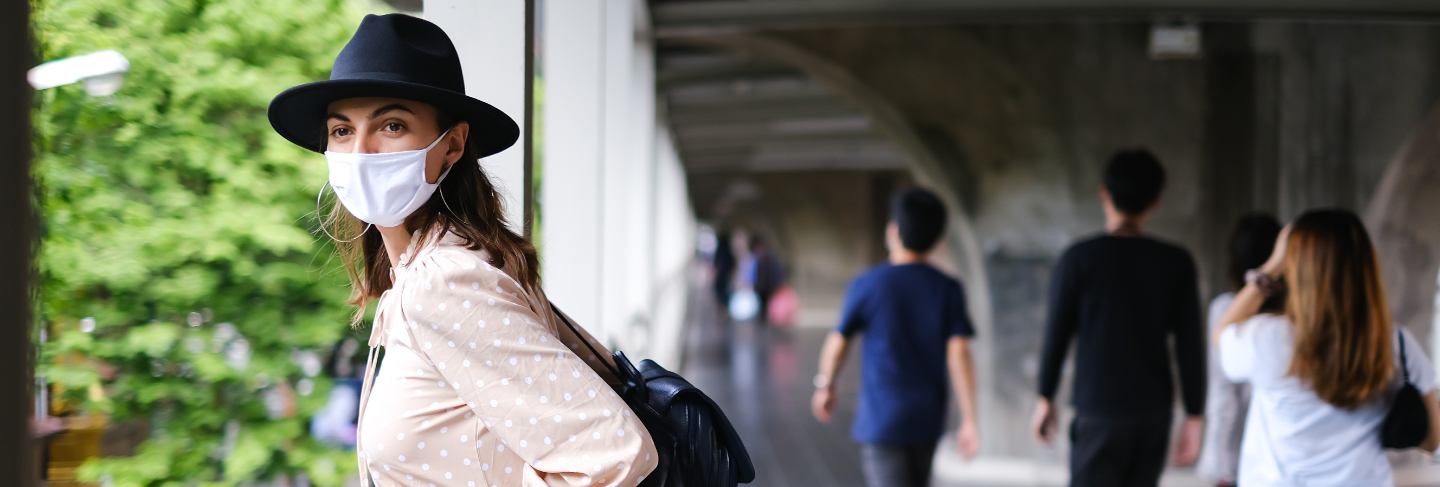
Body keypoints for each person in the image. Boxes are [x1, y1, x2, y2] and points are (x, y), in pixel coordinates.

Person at [267, 14, 656, 486]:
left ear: (452, 145)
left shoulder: (444, 282)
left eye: (391, 125)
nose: (360, 153)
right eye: (342, 131)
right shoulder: (431, 270)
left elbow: (612, 454)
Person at [1215, 209, 1440, 485]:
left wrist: (1270, 267)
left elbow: (1222, 334)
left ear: (1295, 268)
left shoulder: (1267, 338)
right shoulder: (1396, 342)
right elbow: (1434, 438)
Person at [1032, 148, 1205, 487]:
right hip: (1153, 410)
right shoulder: (1175, 262)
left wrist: (1045, 396)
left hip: (1097, 408)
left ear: (1104, 194)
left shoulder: (1078, 259)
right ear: (1156, 201)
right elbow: (1189, 345)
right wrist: (1195, 415)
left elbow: (1056, 333)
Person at [810, 188, 980, 487]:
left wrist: (826, 385)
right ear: (938, 238)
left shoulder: (868, 284)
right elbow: (959, 354)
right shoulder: (948, 288)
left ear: (893, 231)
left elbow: (839, 341)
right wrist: (969, 418)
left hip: (882, 419)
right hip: (928, 418)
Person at [1196, 214, 1281, 486]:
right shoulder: (1292, 316)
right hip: (1283, 451)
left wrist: (1218, 462)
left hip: (1240, 451)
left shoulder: (1226, 311)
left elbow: (1223, 394)